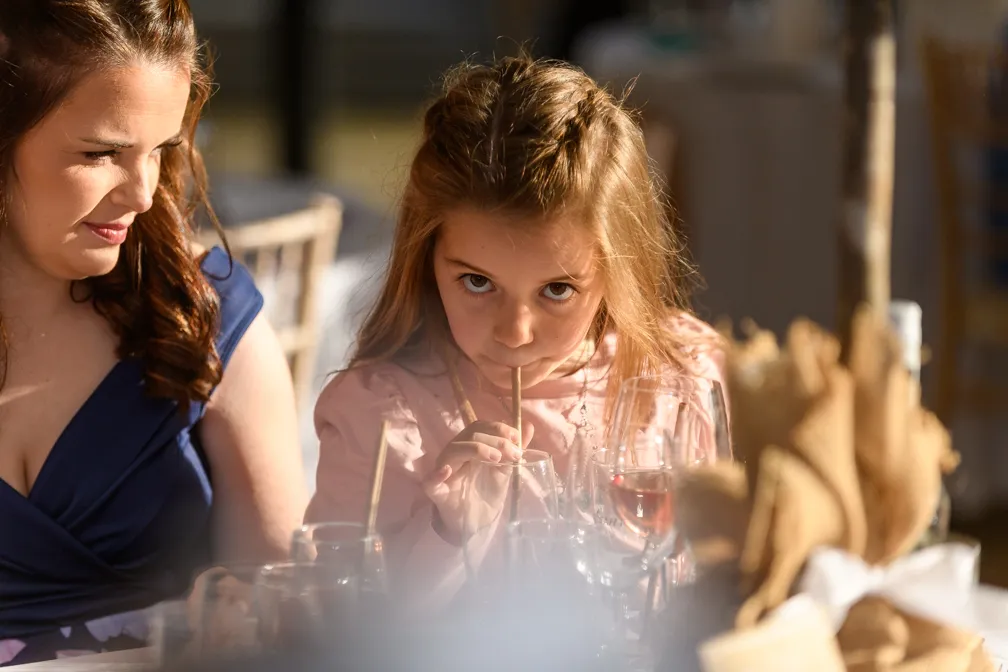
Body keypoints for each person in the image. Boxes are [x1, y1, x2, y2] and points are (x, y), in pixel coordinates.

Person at [306, 53, 726, 610]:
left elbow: (723, 578)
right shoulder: (382, 418)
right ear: (426, 257)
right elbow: (344, 626)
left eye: (557, 290)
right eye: (478, 282)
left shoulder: (682, 379)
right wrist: (449, 532)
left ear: (615, 272)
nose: (515, 333)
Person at [0, 0, 307, 665]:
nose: (143, 193)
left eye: (162, 150)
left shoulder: (206, 315)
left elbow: (284, 604)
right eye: (102, 153)